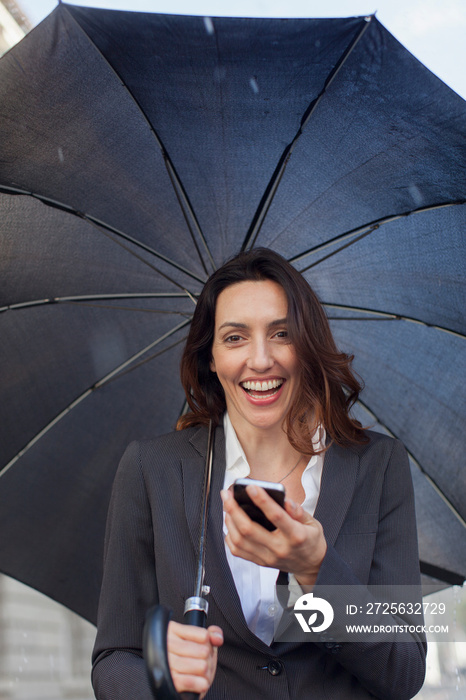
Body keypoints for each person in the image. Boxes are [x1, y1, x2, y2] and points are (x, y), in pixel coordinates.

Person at [91, 248, 426, 699]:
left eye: (282, 333)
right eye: (234, 338)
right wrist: (160, 677)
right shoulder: (154, 469)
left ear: (307, 345)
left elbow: (404, 672)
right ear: (210, 356)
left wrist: (315, 572)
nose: (261, 359)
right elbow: (115, 658)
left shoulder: (378, 465)